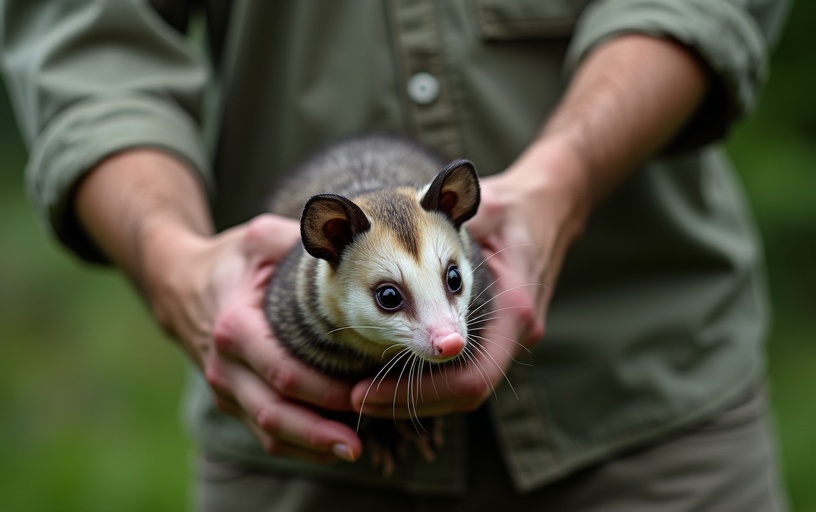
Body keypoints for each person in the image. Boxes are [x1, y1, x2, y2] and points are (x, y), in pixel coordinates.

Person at [0, 1, 790, 510]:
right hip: (300, 474)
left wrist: (569, 179)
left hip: (651, 411)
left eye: (454, 284)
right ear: (328, 256)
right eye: (389, 300)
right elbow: (86, 39)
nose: (450, 334)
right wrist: (173, 264)